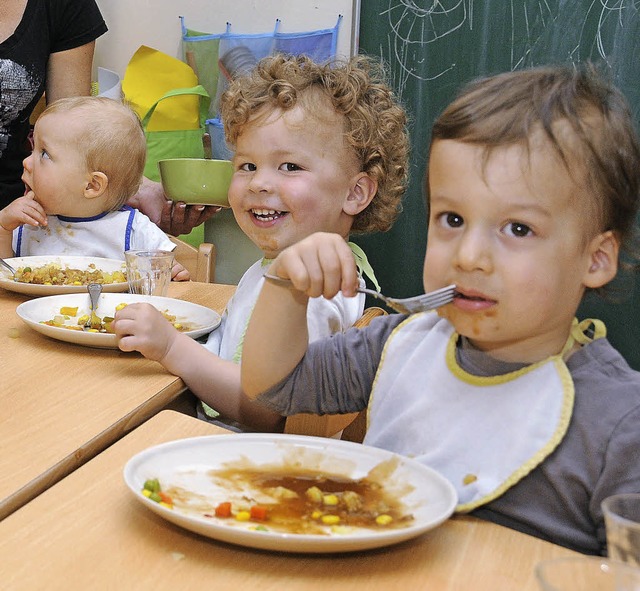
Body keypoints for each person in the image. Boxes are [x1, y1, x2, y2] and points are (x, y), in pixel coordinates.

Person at [239, 63, 640, 555]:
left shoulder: (622, 422)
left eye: (517, 229)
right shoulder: (401, 343)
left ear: (596, 259)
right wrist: (284, 284)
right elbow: (274, 384)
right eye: (452, 219)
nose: (468, 255)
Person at [112, 53, 409, 431]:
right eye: (247, 165)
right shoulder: (283, 267)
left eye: (290, 167)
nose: (258, 183)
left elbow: (261, 410)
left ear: (355, 193)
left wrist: (171, 346)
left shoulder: (310, 293)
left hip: (236, 456)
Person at [0, 0, 214, 237]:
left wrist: (138, 190)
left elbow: (74, 137)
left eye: (43, 154)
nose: (26, 163)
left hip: (18, 217)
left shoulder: (64, 6)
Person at [0, 96, 188, 279]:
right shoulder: (28, 223)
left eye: (45, 154)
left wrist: (170, 273)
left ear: (92, 185)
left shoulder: (133, 230)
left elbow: (166, 271)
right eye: (32, 149)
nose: (26, 162)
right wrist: (3, 228)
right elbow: (5, 277)